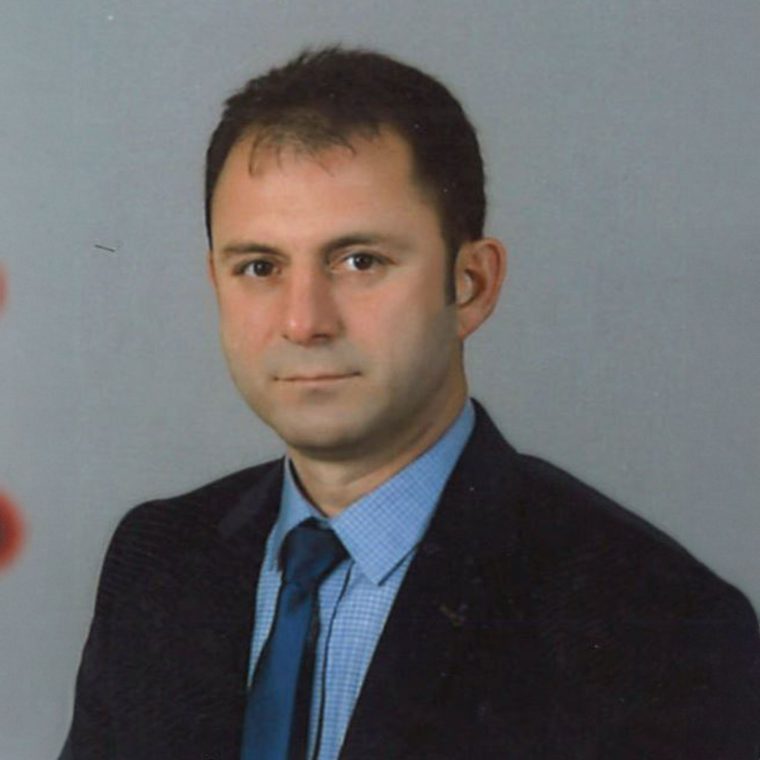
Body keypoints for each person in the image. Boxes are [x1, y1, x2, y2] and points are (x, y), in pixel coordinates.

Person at [60, 47, 759, 759]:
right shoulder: (158, 560)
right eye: (260, 267)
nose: (303, 321)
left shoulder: (656, 623)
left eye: (359, 261)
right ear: (217, 283)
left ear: (472, 284)